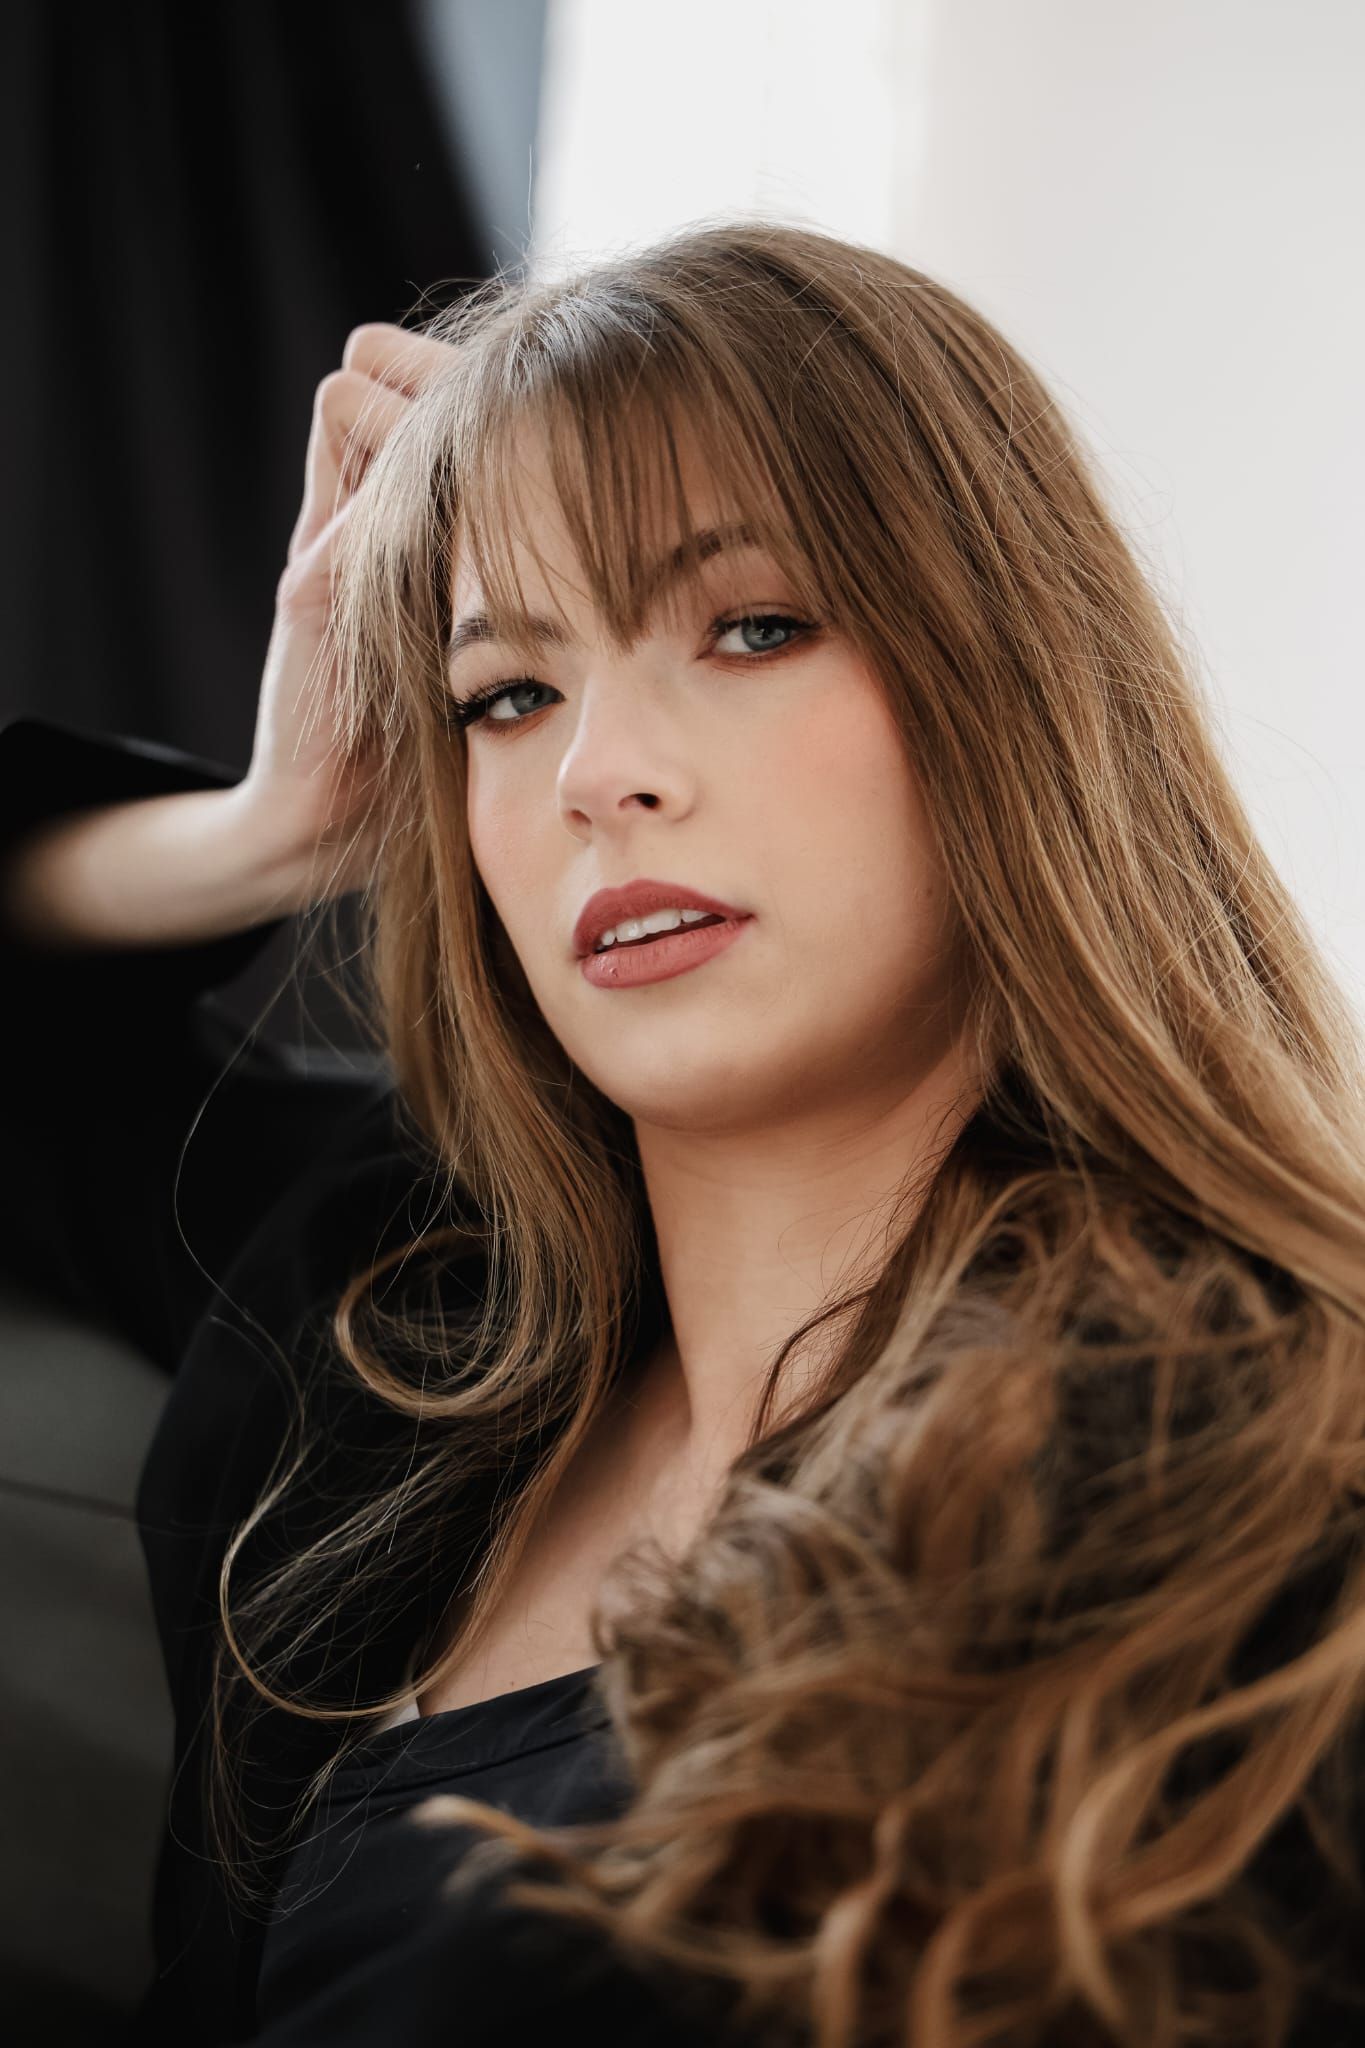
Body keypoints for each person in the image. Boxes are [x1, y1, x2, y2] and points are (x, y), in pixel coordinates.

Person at [3, 218, 1364, 2048]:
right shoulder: (388, 1293)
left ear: (1012, 685)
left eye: (752, 627)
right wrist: (265, 830)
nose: (594, 772)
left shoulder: (1254, 1494)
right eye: (507, 694)